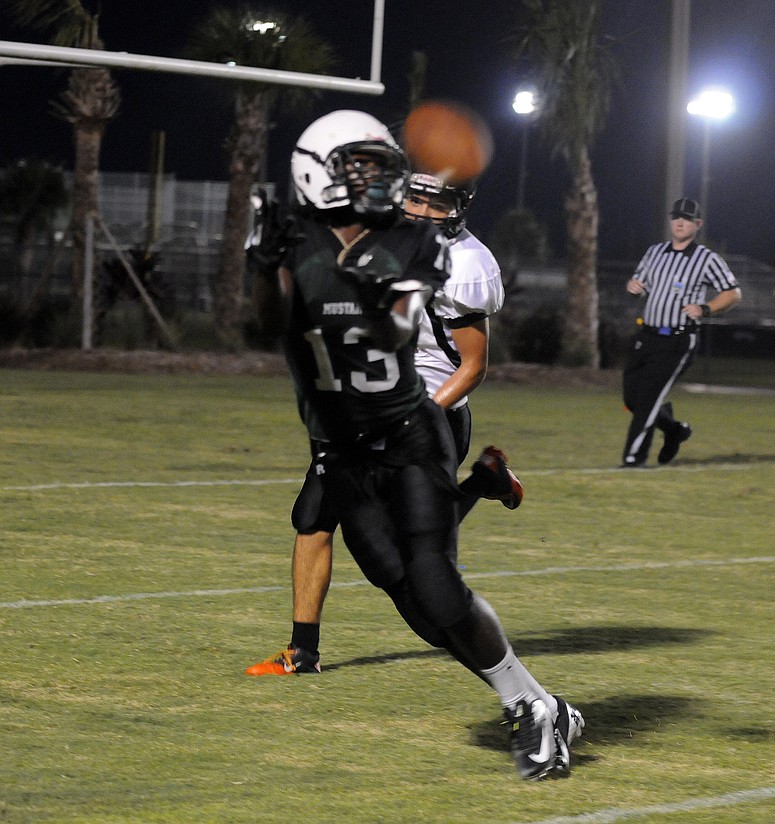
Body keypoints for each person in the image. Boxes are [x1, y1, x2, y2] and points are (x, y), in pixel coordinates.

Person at [245, 109, 583, 779]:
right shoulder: (303, 246)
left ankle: (534, 708)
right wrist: (267, 269)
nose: (386, 185)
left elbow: (408, 334)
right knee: (407, 593)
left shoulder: (420, 250)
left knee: (430, 583)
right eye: (362, 170)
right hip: (345, 440)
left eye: (381, 169)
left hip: (407, 426)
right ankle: (539, 702)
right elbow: (273, 323)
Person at [246, 171, 521, 681]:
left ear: (459, 208)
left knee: (401, 551)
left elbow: (473, 366)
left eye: (434, 204)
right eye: (414, 198)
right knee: (313, 514)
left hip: (433, 414)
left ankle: (484, 482)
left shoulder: (466, 263)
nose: (420, 211)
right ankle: (302, 651)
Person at [621, 197, 742, 468]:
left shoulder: (706, 259)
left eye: (687, 219)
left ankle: (633, 460)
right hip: (648, 335)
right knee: (632, 398)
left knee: (649, 398)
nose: (680, 222)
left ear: (697, 225)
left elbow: (733, 293)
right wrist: (635, 287)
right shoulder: (655, 252)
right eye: (676, 217)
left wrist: (706, 308)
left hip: (677, 338)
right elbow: (642, 283)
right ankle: (674, 430)